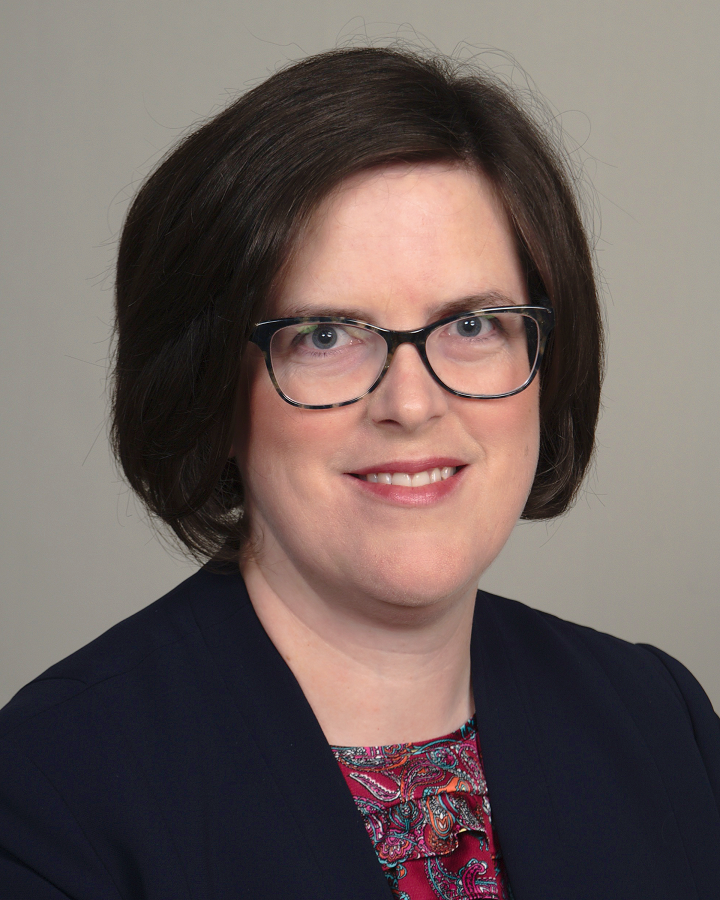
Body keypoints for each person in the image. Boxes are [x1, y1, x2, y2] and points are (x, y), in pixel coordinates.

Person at [0, 46, 718, 900]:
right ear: (214, 392)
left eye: (474, 324)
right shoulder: (52, 791)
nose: (410, 404)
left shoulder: (658, 719)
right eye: (328, 336)